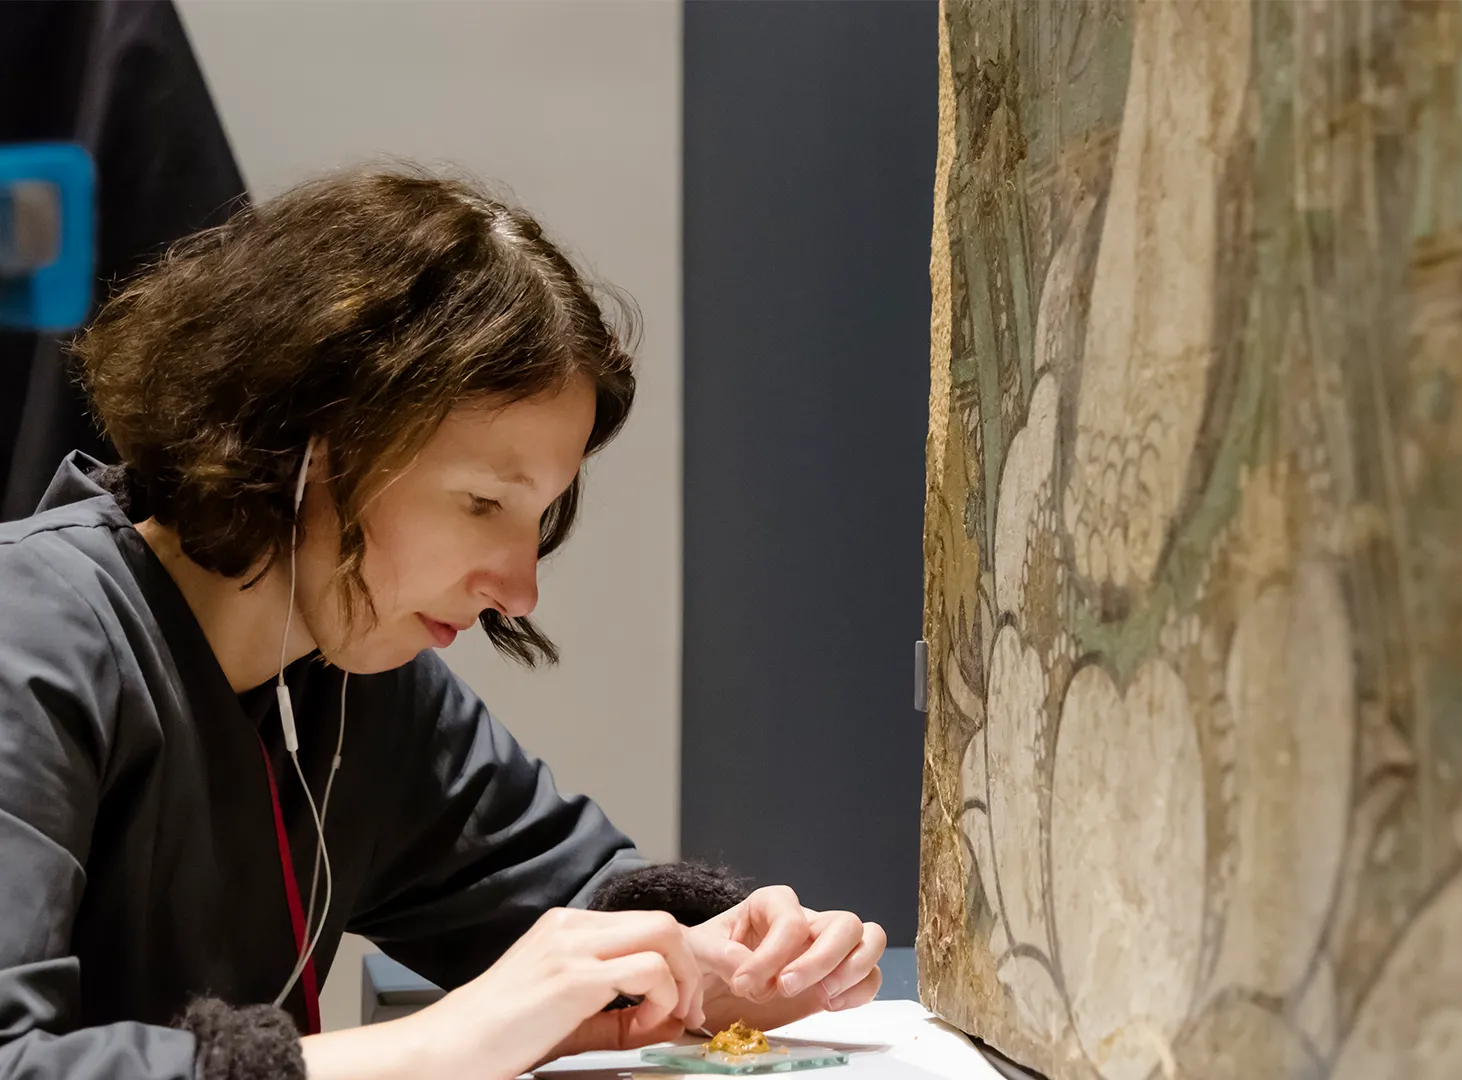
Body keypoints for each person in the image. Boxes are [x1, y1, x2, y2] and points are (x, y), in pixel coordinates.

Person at [0, 170, 886, 1080]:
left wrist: (717, 964)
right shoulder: (26, 634)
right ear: (307, 439)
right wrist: (442, 1042)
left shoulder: (360, 685)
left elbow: (566, 896)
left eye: (537, 519)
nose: (519, 588)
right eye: (481, 503)